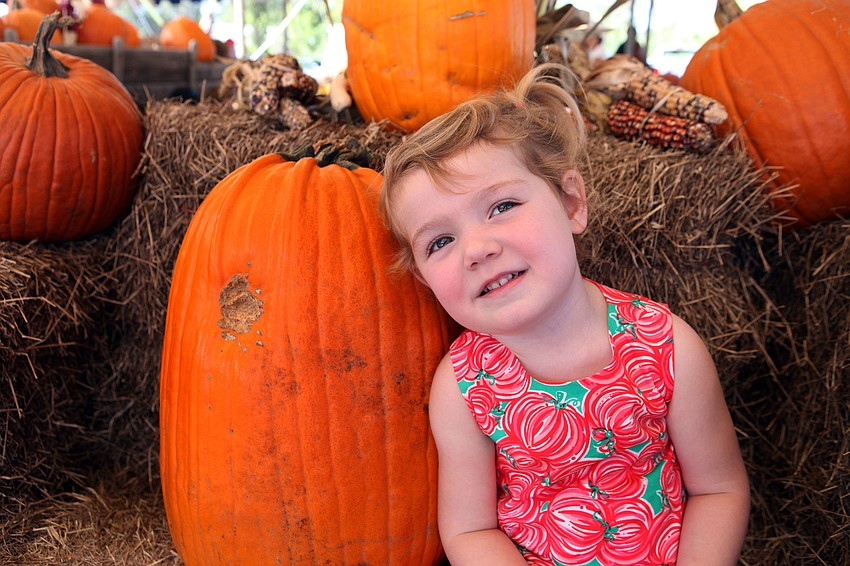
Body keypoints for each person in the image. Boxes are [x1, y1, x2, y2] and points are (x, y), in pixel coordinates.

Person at [379, 63, 750, 565]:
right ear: (425, 279)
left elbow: (718, 491)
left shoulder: (667, 347)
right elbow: (470, 531)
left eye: (502, 206)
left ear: (571, 202)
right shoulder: (464, 389)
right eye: (440, 241)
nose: (477, 249)